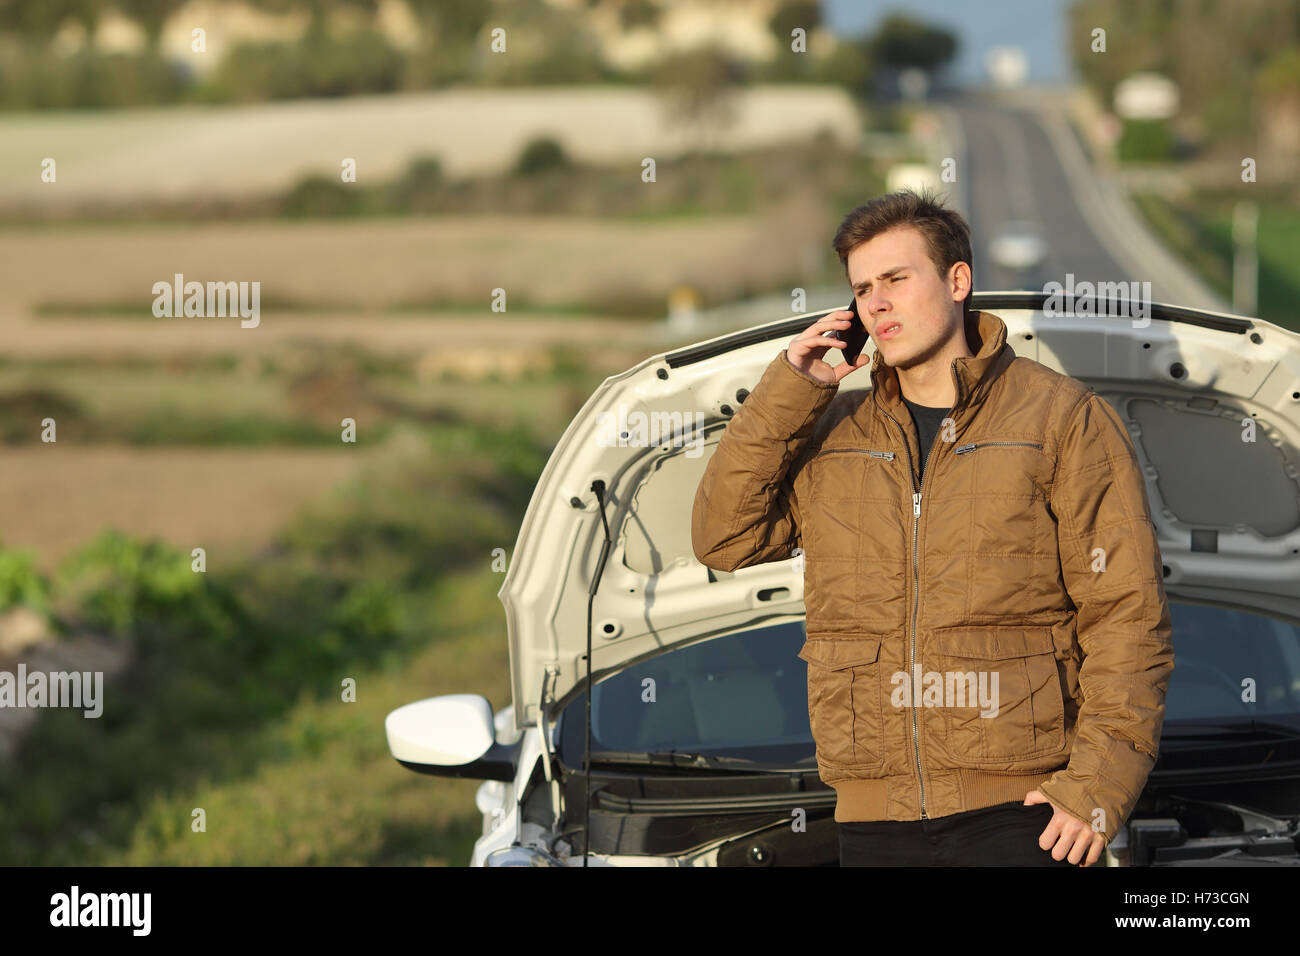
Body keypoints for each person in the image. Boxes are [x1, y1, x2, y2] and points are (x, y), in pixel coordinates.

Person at [691, 189, 1174, 867]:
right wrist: (790, 391)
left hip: (1024, 814)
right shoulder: (832, 432)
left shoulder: (1061, 418)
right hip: (871, 816)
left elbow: (1127, 613)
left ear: (957, 281)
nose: (876, 303)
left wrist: (1096, 787)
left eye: (894, 279)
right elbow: (723, 537)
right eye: (862, 288)